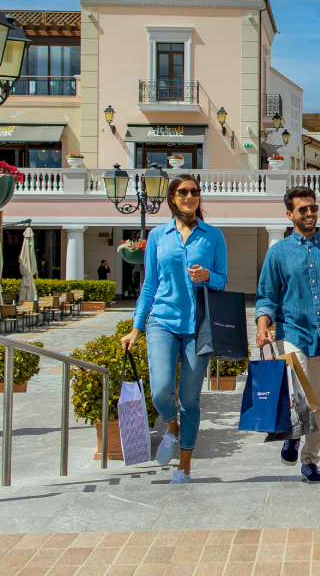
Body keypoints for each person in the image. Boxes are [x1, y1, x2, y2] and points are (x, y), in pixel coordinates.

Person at [121, 174, 227, 485]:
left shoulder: (213, 236)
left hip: (199, 326)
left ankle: (184, 468)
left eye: (195, 192)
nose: (190, 197)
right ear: (172, 198)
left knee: (190, 400)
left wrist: (208, 275)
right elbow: (149, 285)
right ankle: (172, 428)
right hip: (162, 322)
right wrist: (136, 328)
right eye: (183, 192)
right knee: (160, 390)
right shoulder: (157, 236)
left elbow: (223, 281)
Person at [255, 186, 320, 483]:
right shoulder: (277, 253)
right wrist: (263, 325)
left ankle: (310, 460)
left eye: (313, 207)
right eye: (303, 209)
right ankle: (294, 432)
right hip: (292, 333)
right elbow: (266, 297)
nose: (310, 213)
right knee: (298, 394)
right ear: (290, 214)